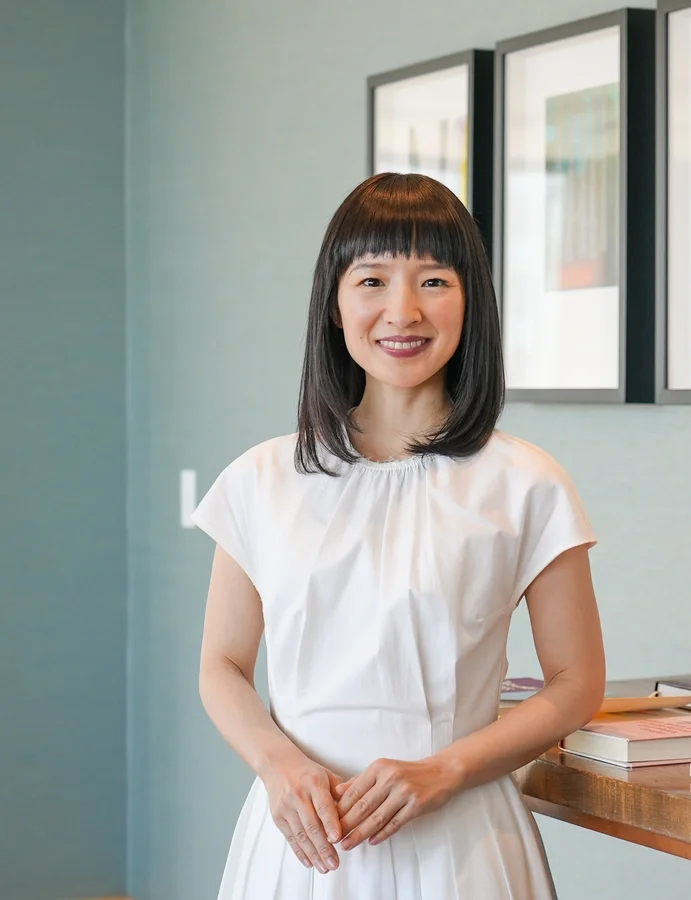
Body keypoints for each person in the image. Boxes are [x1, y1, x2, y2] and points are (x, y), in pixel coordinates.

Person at [193, 172, 606, 898]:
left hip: (463, 843)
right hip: (302, 842)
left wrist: (445, 770)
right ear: (334, 304)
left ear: (471, 301)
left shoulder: (526, 483)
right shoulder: (261, 479)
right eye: (372, 280)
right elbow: (222, 666)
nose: (403, 311)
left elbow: (577, 682)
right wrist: (280, 768)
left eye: (434, 281)